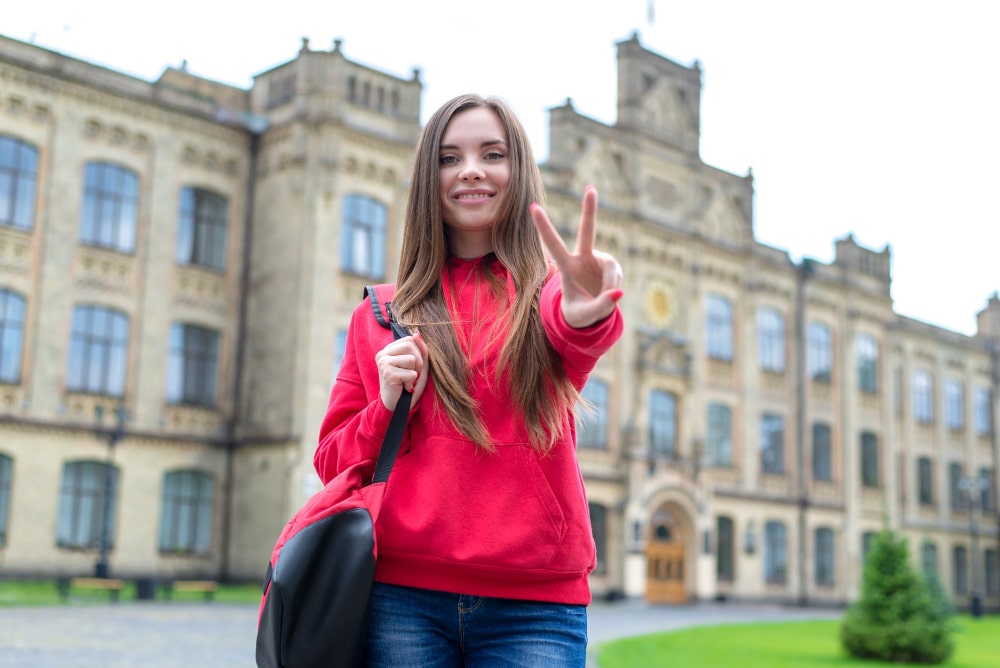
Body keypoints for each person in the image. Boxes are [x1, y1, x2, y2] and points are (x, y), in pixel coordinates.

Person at [314, 93, 624, 667]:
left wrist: (588, 311)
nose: (472, 169)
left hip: (535, 606)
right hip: (401, 599)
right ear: (427, 179)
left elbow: (576, 332)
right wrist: (384, 405)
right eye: (449, 157)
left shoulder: (546, 296)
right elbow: (333, 461)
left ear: (519, 171)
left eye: (492, 153)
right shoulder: (381, 314)